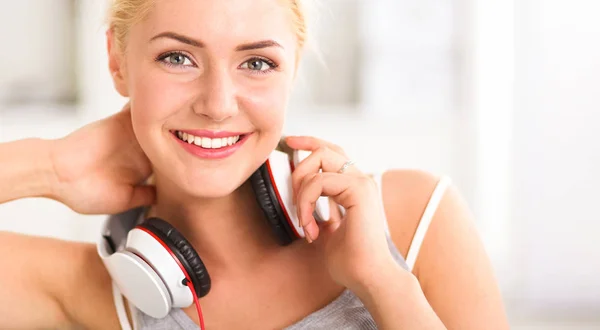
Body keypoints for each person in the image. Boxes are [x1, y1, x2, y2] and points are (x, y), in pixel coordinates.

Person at [0, 0, 510, 329]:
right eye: (178, 57)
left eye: (257, 62)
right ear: (117, 60)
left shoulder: (415, 216)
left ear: (294, 68)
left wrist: (382, 280)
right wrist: (51, 167)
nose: (218, 104)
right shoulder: (94, 290)